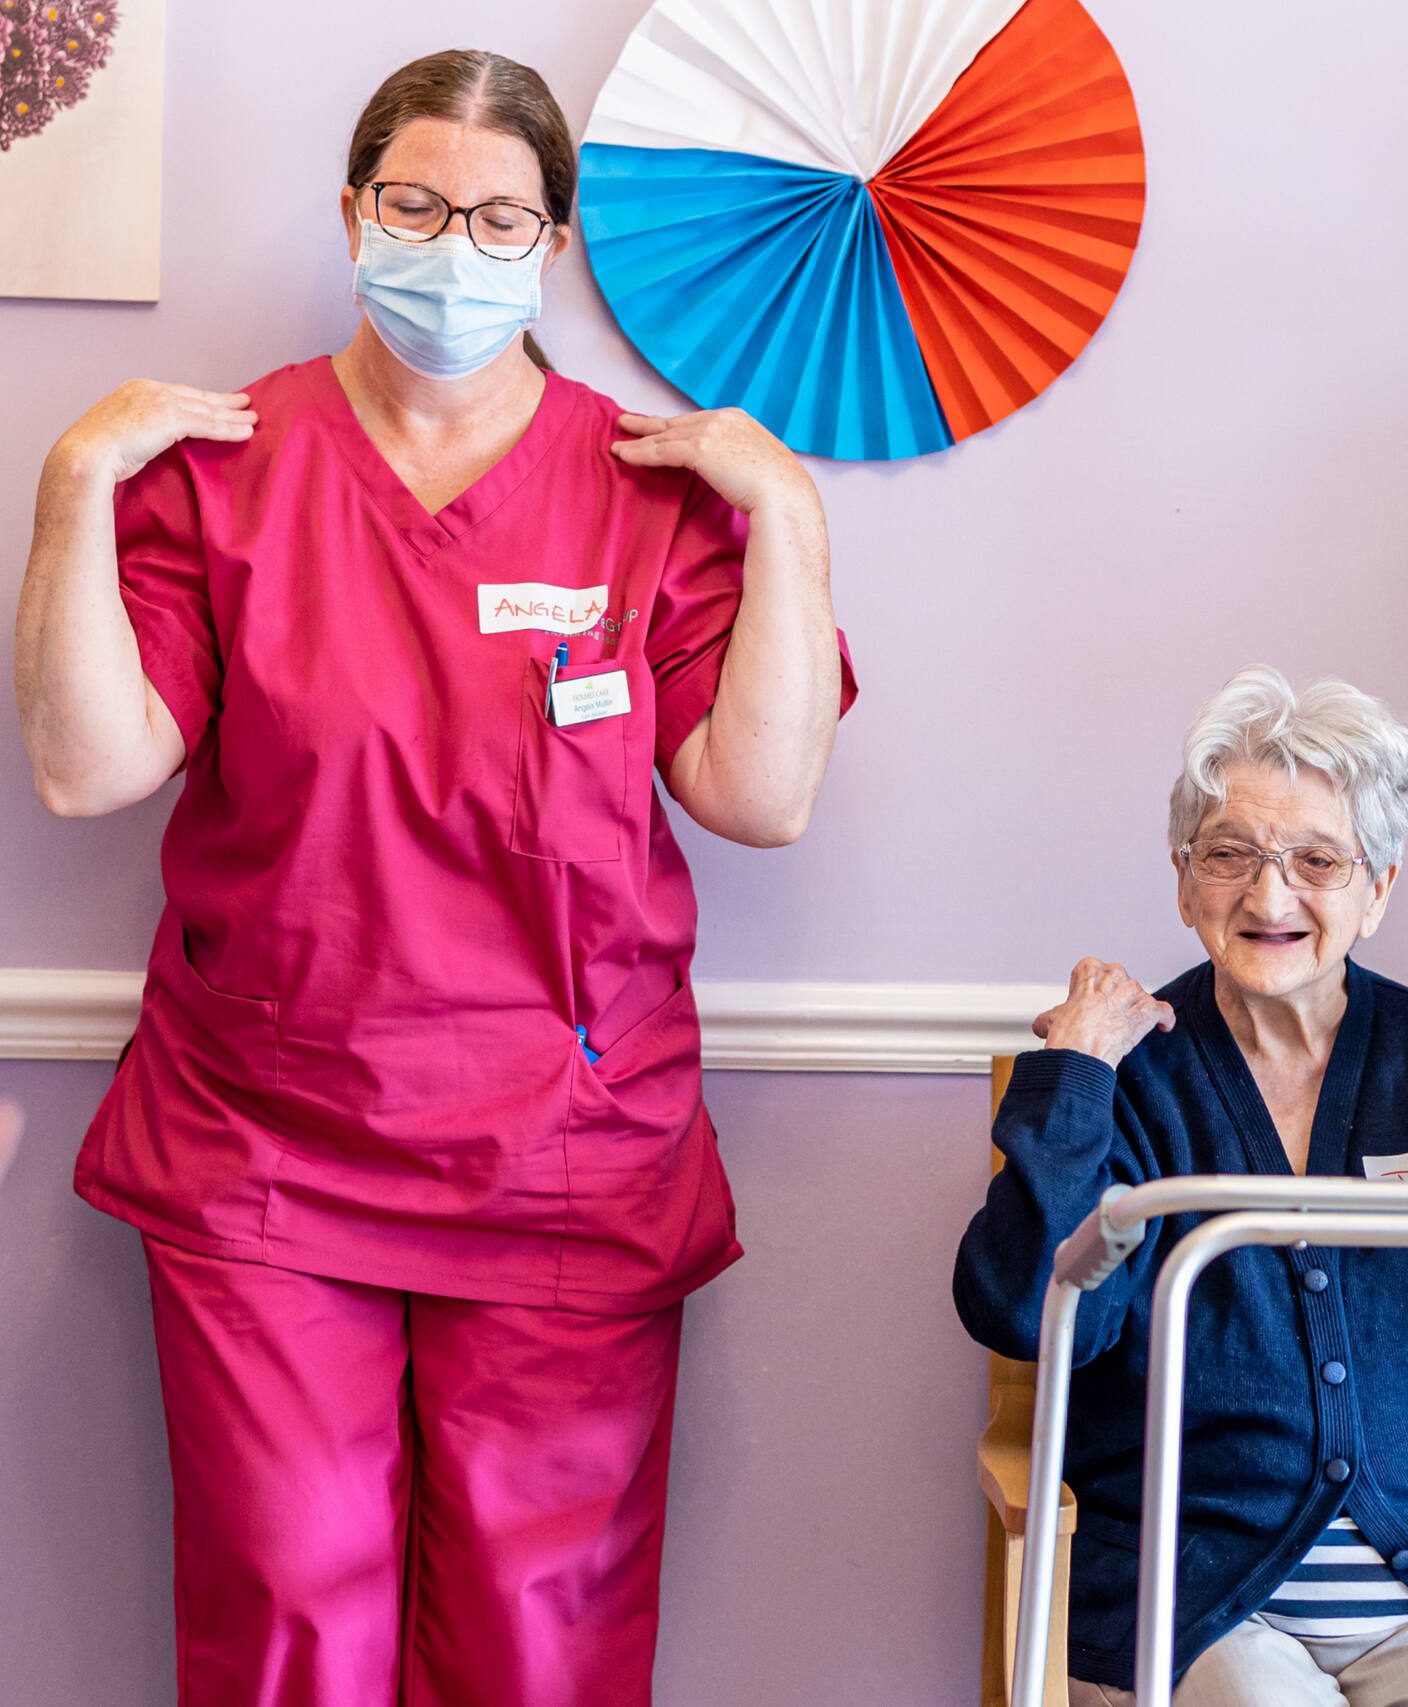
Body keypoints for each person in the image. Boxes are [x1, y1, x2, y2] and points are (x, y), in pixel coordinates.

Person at [11, 49, 857, 1706]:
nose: (450, 244)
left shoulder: (655, 490)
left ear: (549, 244)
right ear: (351, 212)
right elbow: (82, 767)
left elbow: (758, 798)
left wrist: (790, 518)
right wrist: (70, 488)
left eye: (494, 213)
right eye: (413, 202)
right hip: (270, 1140)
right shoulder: (220, 466)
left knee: (538, 1640)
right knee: (286, 1613)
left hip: (569, 1151)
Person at [953, 666, 1408, 1707]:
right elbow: (1023, 1312)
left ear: (1379, 889)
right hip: (1201, 1606)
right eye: (1229, 854)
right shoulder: (1133, 1077)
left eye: (1317, 859)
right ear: (1186, 882)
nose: (1269, 895)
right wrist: (1076, 1078)